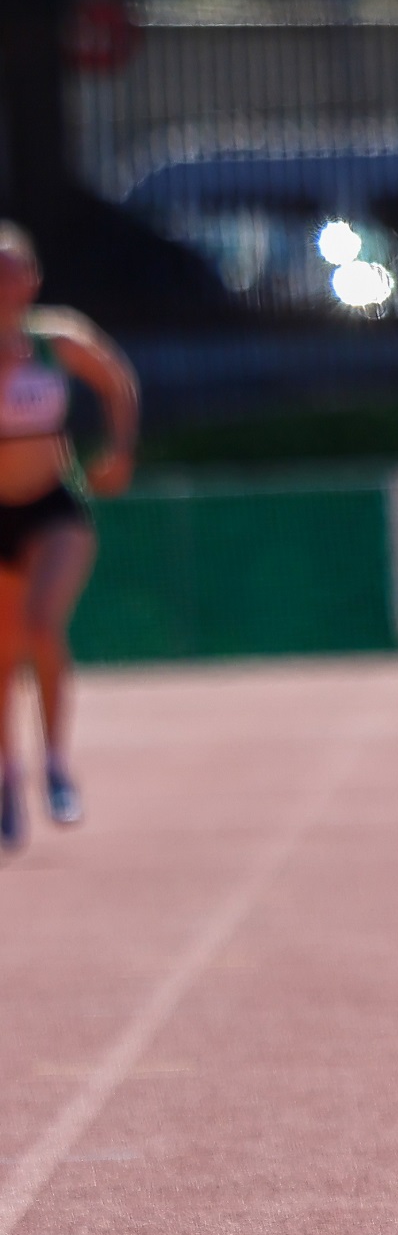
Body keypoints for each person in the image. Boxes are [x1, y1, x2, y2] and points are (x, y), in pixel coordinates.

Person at [0, 227, 135, 845]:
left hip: (52, 506)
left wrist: (119, 450)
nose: (6, 284)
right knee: (3, 649)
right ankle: (8, 773)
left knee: (41, 624)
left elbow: (115, 378)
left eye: (14, 271)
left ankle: (55, 762)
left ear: (33, 278)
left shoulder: (58, 339)